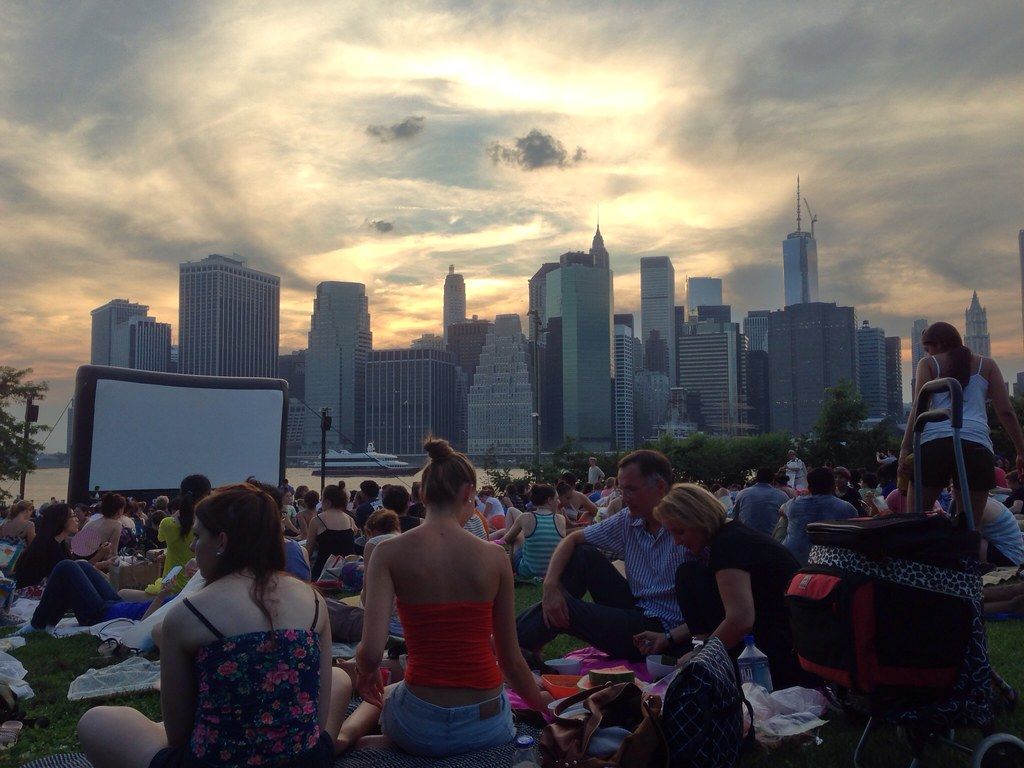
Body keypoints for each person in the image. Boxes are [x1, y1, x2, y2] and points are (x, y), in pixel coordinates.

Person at [78, 483, 355, 767]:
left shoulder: (187, 616)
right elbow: (317, 723)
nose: (192, 546)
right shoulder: (314, 600)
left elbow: (179, 737)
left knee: (96, 722)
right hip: (304, 760)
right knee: (340, 678)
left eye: (198, 536)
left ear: (221, 541)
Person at [352, 438, 548, 757]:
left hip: (419, 722)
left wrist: (365, 672)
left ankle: (365, 742)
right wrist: (544, 709)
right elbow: (511, 661)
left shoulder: (387, 553)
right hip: (486, 724)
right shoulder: (495, 558)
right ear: (467, 492)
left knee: (389, 695)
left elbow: (371, 651)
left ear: (422, 494)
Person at [517, 450, 690, 661]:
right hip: (638, 606)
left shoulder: (688, 529)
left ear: (660, 487)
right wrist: (550, 585)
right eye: (621, 490)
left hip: (661, 631)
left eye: (631, 490)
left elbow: (720, 611)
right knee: (583, 554)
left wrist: (671, 637)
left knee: (567, 608)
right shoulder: (629, 520)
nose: (623, 498)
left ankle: (507, 645)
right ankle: (514, 644)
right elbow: (571, 540)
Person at [634, 484, 810, 689]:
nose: (677, 542)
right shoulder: (732, 535)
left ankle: (704, 660)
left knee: (689, 575)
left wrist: (700, 657)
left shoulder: (728, 546)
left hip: (778, 654)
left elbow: (740, 619)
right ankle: (700, 648)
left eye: (680, 532)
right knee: (690, 573)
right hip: (786, 639)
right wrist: (668, 638)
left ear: (698, 519)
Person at [899, 321, 1024, 527]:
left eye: (928, 348)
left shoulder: (929, 364)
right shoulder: (988, 365)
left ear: (937, 344)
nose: (928, 353)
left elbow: (918, 408)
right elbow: (1006, 412)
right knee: (970, 526)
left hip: (934, 442)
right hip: (976, 445)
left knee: (915, 521)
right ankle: (966, 558)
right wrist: (1020, 450)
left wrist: (905, 447)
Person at [131, 476, 211, 600]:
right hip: (198, 588)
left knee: (123, 594)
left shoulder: (167, 524)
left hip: (170, 587)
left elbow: (161, 538)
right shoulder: (210, 526)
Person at [783, 467, 859, 564]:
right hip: (829, 563)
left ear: (809, 487)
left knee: (783, 520)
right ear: (832, 486)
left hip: (793, 560)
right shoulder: (847, 508)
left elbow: (781, 510)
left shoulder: (793, 504)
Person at [502, 484, 566, 579]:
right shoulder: (561, 519)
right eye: (556, 499)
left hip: (527, 572)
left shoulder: (525, 517)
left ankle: (509, 570)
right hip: (552, 571)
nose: (559, 501)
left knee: (516, 538)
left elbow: (506, 540)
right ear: (549, 500)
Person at [14, 503, 82, 588]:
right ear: (62, 520)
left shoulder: (58, 544)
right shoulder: (49, 548)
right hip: (38, 595)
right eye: (73, 516)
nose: (77, 519)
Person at [306, 484, 357, 580]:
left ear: (327, 501)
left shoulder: (317, 520)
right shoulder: (350, 520)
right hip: (346, 572)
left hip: (324, 571)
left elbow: (308, 552)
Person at [732, 468, 789, 536]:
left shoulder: (742, 494)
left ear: (756, 478)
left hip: (746, 539)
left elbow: (735, 518)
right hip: (772, 541)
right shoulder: (782, 495)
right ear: (773, 480)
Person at [73, 493, 127, 563]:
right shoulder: (116, 525)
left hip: (76, 559)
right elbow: (112, 553)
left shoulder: (91, 522)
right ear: (119, 510)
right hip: (90, 563)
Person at [979, 496, 1024, 567]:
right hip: (1016, 554)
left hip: (1010, 559)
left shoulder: (978, 507)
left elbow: (1017, 508)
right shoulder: (986, 501)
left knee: (970, 540)